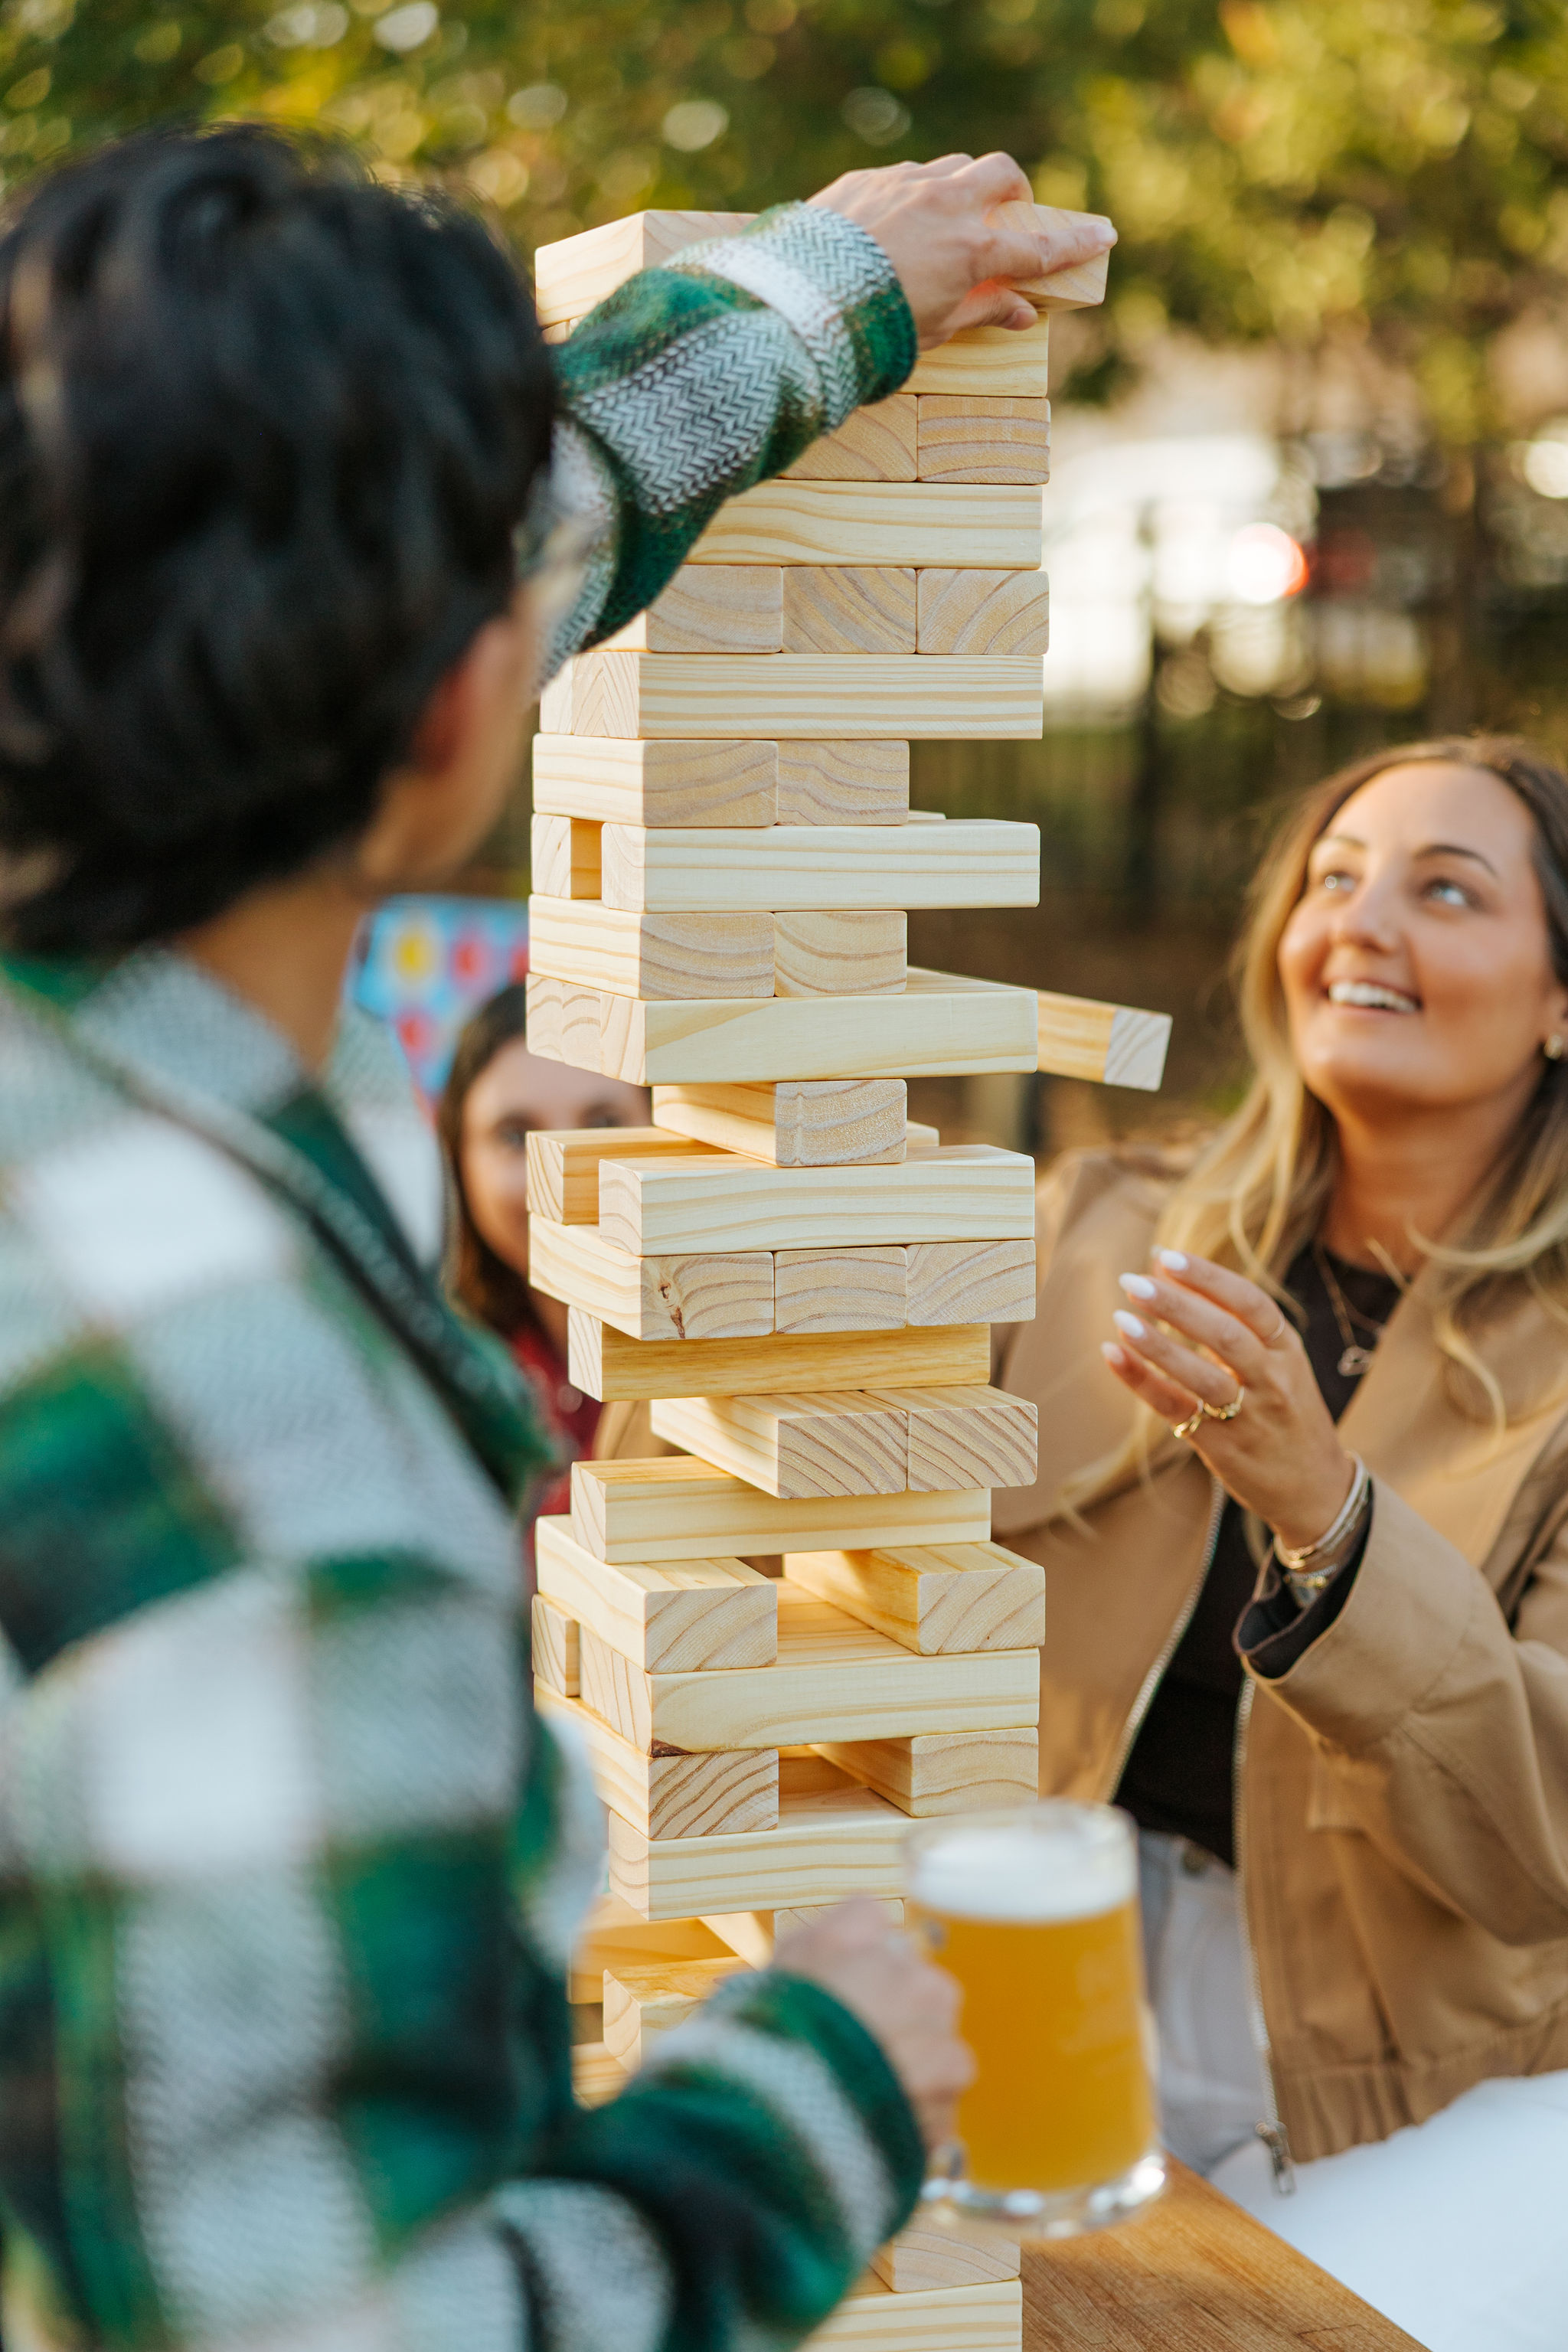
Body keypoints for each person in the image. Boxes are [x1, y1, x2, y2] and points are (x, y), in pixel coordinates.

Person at [0, 126, 1116, 2350]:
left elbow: (535, 521)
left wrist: (825, 291)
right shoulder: (282, 1479)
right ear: (449, 710)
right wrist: (804, 2096)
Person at [995, 736, 1568, 2351]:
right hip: (1028, 1988)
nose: (1360, 922)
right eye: (1332, 879)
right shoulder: (1096, 1226)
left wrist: (1327, 1519)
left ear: (1558, 1001)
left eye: (1444, 889)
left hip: (1412, 2106)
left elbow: (1543, 1849)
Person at [439, 982, 648, 1515]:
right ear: (458, 1161)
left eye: (603, 1125)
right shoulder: (432, 1383)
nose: (564, 1174)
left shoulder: (734, 1383)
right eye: (516, 1136)